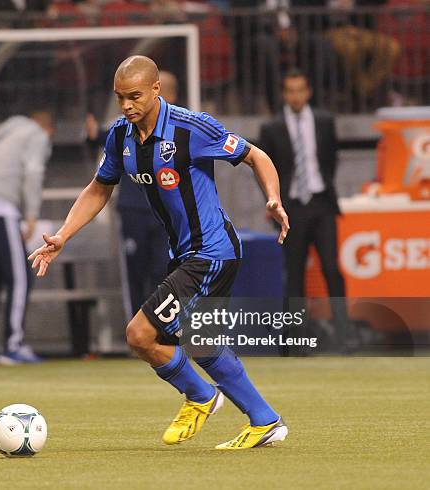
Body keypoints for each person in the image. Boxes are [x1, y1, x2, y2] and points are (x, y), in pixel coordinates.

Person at [29, 56, 290, 450]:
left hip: (212, 251)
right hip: (186, 253)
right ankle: (265, 421)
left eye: (134, 96)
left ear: (156, 90)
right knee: (202, 342)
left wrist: (272, 198)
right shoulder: (120, 136)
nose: (127, 105)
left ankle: (201, 397)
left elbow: (255, 155)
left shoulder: (191, 127)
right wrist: (63, 235)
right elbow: (99, 187)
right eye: (120, 98)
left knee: (140, 334)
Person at [259, 68, 348, 340]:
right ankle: (297, 338)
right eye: (290, 90)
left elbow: (330, 158)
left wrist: (321, 186)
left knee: (331, 268)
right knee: (294, 273)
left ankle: (346, 333)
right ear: (284, 94)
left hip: (321, 203)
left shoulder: (324, 121)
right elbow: (265, 169)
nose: (296, 96)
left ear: (308, 92)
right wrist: (274, 201)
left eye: (300, 90)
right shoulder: (271, 128)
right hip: (291, 208)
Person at [85, 70, 176, 319]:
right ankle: (136, 330)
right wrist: (93, 135)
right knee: (136, 271)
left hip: (168, 213)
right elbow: (105, 137)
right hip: (134, 208)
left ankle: (163, 329)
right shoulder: (127, 125)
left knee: (165, 269)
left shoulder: (182, 126)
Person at [0, 112, 53, 366]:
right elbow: (34, 172)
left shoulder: (4, 131)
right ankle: (13, 345)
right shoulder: (36, 134)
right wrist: (32, 214)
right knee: (20, 279)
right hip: (0, 207)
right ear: (49, 129)